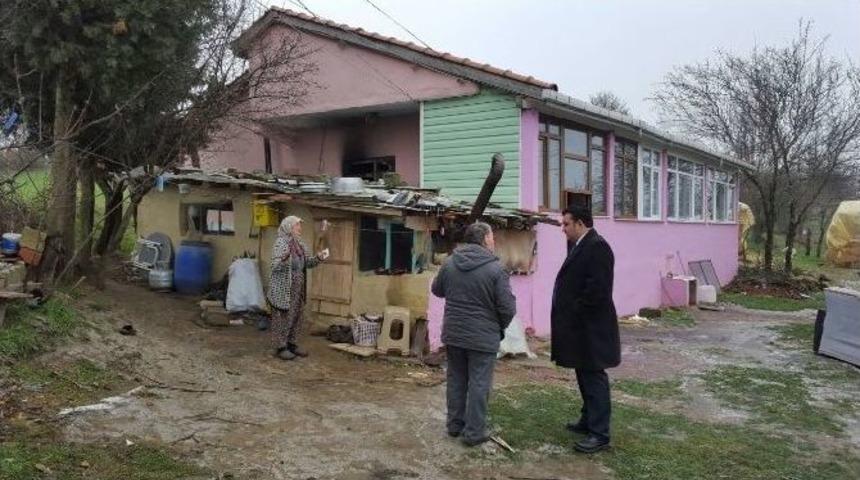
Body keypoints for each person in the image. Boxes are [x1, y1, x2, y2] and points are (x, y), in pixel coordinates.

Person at [431, 222, 516, 447]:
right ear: (484, 240)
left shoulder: (450, 263)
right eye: (492, 237)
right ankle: (474, 432)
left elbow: (437, 290)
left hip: (454, 333)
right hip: (482, 337)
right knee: (479, 384)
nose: (494, 241)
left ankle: (454, 425)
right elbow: (508, 308)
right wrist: (498, 326)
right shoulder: (496, 269)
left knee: (456, 380)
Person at [551, 206, 620, 453]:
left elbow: (598, 291)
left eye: (566, 224)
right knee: (583, 374)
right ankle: (588, 420)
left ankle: (600, 434)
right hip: (580, 328)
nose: (563, 228)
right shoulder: (580, 245)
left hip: (592, 328)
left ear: (580, 223)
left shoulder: (598, 247)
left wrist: (575, 309)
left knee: (594, 377)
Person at [267, 215, 327, 360]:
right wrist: (284, 260)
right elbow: (274, 266)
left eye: (300, 226)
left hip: (298, 286)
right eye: (297, 226)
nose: (300, 228)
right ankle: (280, 347)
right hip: (283, 288)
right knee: (282, 317)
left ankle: (292, 344)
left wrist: (319, 258)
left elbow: (307, 263)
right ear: (288, 227)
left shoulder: (300, 243)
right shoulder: (281, 243)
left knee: (296, 315)